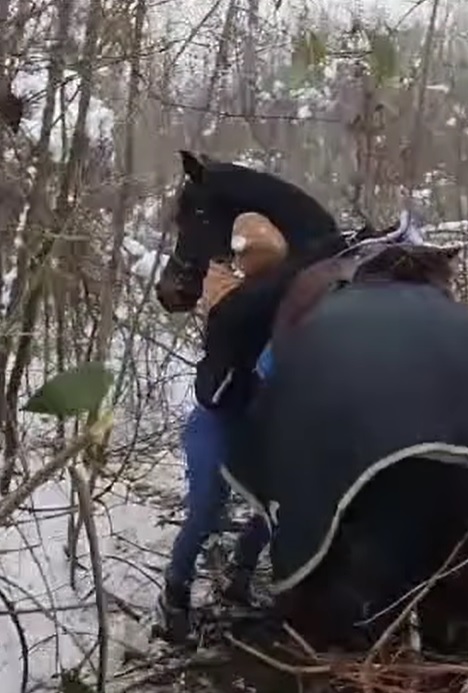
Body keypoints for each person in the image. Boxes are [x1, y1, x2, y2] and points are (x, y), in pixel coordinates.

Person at [156, 213, 286, 642]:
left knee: (274, 504)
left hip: (253, 421)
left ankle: (239, 573)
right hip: (216, 420)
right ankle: (175, 592)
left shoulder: (279, 306)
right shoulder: (232, 298)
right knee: (206, 510)